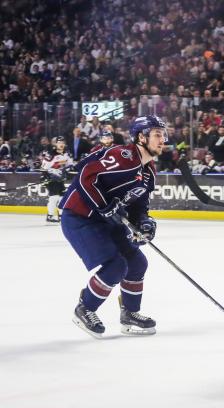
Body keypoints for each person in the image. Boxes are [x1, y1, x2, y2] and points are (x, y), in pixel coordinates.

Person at [59, 115, 167, 338]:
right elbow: (86, 176)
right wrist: (103, 205)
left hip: (106, 219)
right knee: (116, 266)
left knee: (137, 262)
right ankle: (85, 309)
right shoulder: (124, 155)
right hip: (81, 217)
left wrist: (144, 222)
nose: (162, 140)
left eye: (163, 135)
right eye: (157, 134)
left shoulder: (149, 171)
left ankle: (130, 314)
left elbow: (139, 204)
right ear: (141, 137)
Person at [40, 136, 74, 223]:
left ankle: (61, 216)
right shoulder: (50, 154)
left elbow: (70, 165)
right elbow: (44, 167)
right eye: (59, 143)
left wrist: (68, 170)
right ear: (56, 144)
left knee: (63, 198)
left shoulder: (67, 153)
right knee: (54, 197)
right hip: (51, 179)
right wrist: (45, 176)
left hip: (60, 179)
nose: (61, 144)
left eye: (62, 143)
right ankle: (50, 216)